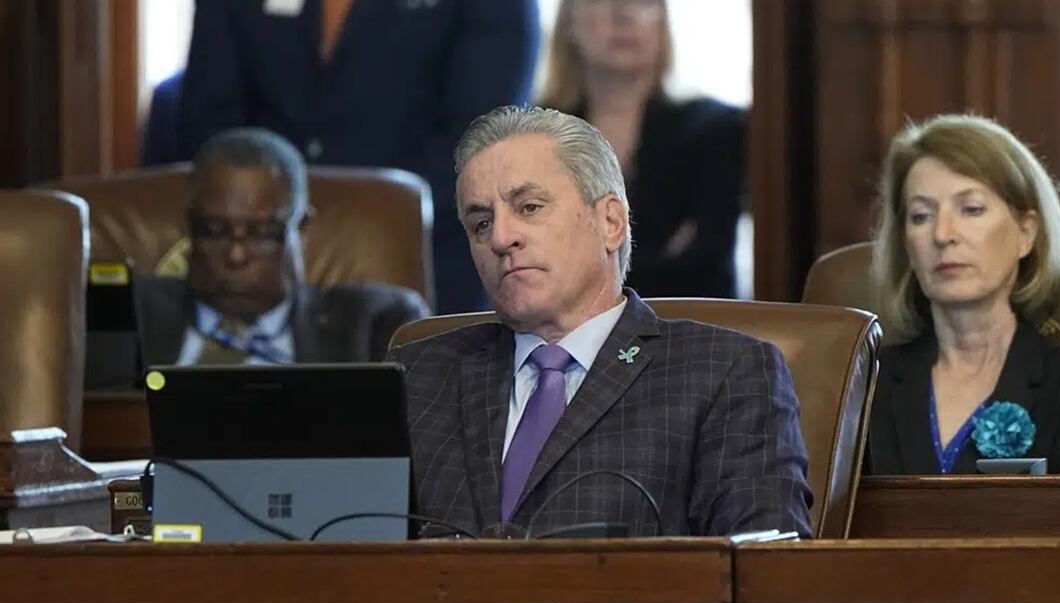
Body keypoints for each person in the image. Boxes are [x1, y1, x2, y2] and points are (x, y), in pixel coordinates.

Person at [386, 106, 812, 538]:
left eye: (529, 207)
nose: (500, 238)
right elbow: (344, 558)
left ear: (610, 221)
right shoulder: (419, 375)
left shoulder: (723, 372)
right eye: (480, 223)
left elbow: (769, 574)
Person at [178, 0, 541, 314]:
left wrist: (355, 235)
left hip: (431, 264)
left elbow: (482, 138)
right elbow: (210, 121)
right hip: (251, 262)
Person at [868, 114, 1060, 475]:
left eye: (971, 209)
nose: (943, 234)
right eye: (921, 216)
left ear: (1026, 233)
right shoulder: (867, 386)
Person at [136, 128, 429, 366]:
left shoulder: (377, 325)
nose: (236, 255)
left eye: (263, 234)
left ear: (301, 230)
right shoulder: (128, 315)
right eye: (214, 231)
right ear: (189, 225)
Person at [537, 0, 744, 298]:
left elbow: (702, 269)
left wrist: (577, 269)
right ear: (568, 22)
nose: (624, 14)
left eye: (644, 1)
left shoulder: (714, 131)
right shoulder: (535, 137)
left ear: (663, 22)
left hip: (687, 331)